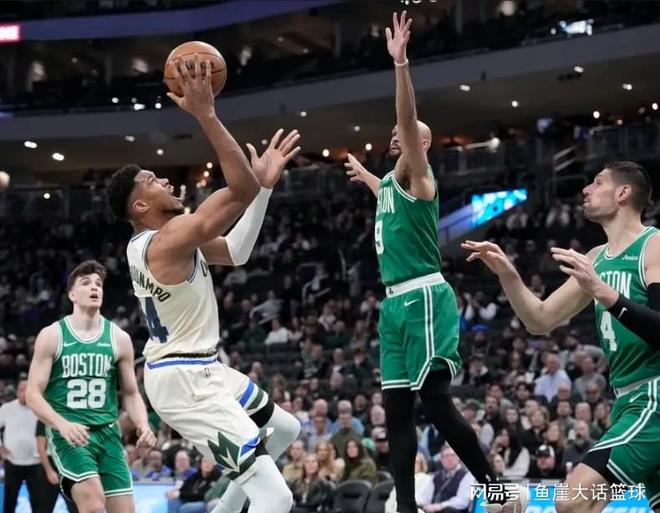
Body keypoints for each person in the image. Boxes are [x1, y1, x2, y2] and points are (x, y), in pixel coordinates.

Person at [344, 11, 526, 513]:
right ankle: (405, 508)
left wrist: (400, 64)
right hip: (393, 307)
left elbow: (407, 120)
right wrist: (365, 175)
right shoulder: (390, 185)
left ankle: (498, 490)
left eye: (403, 133)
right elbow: (382, 189)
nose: (395, 135)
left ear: (421, 144)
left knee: (436, 401)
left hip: (424, 295)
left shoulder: (420, 178)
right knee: (395, 410)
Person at [106, 54, 301, 513]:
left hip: (199, 369)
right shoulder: (168, 240)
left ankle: (223, 509)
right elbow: (240, 190)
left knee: (285, 430)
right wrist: (206, 114)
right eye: (152, 181)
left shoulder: (163, 242)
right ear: (140, 207)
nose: (164, 180)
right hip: (186, 380)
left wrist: (263, 189)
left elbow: (236, 251)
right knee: (277, 498)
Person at [464, 161, 660, 513]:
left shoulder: (654, 245)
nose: (586, 189)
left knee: (572, 500)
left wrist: (603, 292)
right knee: (586, 502)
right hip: (627, 400)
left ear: (623, 192)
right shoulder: (595, 259)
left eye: (598, 182)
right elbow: (539, 321)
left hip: (654, 397)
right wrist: (507, 274)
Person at [26, 260, 157, 513]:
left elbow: (131, 392)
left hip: (108, 433)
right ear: (72, 295)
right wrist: (62, 424)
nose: (94, 287)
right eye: (86, 283)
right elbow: (33, 394)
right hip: (71, 434)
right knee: (94, 506)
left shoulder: (119, 338)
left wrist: (142, 425)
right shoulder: (53, 335)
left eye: (98, 284)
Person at [0, 379, 41, 513]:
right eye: (21, 390)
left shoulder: (40, 408)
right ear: (17, 392)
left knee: (37, 501)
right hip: (12, 460)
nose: (24, 393)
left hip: (36, 462)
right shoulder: (7, 408)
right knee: (10, 501)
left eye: (26, 390)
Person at [417, 445, 477, 513]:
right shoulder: (436, 476)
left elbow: (462, 501)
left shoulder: (467, 476)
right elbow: (425, 498)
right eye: (446, 456)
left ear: (458, 458)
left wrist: (440, 506)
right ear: (441, 460)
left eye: (452, 455)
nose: (449, 458)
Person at [36, 420, 79, 513]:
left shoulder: (74, 416)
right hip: (51, 464)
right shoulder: (43, 419)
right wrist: (49, 471)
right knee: (44, 507)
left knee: (75, 507)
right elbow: (41, 448)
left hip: (70, 464)